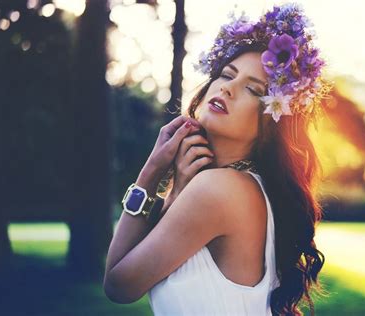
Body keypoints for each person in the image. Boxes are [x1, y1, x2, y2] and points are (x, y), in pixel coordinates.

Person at [104, 3, 331, 315]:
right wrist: (178, 190)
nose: (228, 89)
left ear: (271, 125)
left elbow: (118, 285)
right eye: (227, 74)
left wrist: (151, 171)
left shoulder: (219, 189)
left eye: (253, 90)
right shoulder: (237, 187)